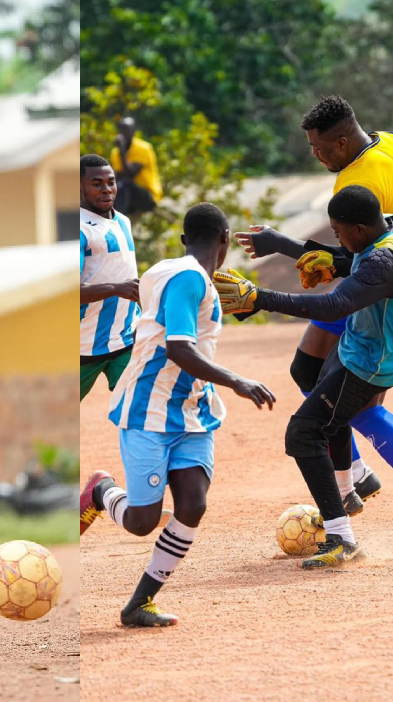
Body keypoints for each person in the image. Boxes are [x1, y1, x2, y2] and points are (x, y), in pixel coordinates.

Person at [235, 95, 393, 553]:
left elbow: (352, 259)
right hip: (391, 275)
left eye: (320, 147)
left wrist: (272, 270)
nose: (316, 154)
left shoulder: (354, 182)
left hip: (381, 295)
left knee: (356, 402)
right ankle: (351, 479)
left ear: (343, 142)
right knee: (309, 372)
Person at [79, 203, 276, 627]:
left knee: (193, 503)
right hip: (150, 409)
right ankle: (101, 492)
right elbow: (179, 348)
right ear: (226, 238)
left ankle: (138, 604)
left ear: (186, 239)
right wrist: (238, 382)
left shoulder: (165, 270)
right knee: (141, 522)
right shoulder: (189, 279)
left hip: (193, 411)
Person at [215, 185, 393, 563]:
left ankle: (343, 537)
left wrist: (258, 297)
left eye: (338, 232)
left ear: (360, 230)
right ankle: (349, 494)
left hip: (371, 364)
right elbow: (361, 263)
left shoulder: (385, 261)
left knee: (304, 432)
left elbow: (336, 305)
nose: (337, 238)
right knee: (313, 388)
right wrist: (330, 261)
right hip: (358, 350)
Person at [80, 154, 140, 400]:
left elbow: (127, 277)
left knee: (139, 405)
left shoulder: (123, 222)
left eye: (111, 182)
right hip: (82, 347)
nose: (106, 189)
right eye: (97, 184)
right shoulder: (81, 228)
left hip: (124, 342)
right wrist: (116, 288)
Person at [110, 117, 162, 217]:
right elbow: (118, 176)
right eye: (122, 129)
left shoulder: (143, 148)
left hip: (148, 196)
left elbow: (131, 173)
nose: (124, 133)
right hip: (129, 198)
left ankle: (116, 220)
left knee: (125, 183)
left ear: (134, 131)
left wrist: (122, 152)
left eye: (127, 129)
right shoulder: (115, 153)